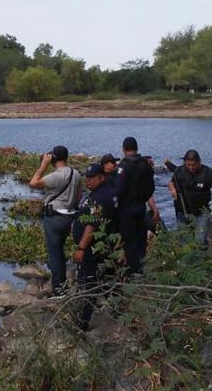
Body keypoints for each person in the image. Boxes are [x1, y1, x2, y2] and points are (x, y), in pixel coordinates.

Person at [29, 145, 82, 296]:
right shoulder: (75, 173)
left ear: (54, 158)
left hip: (54, 217)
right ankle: (63, 284)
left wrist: (43, 166)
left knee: (55, 254)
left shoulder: (56, 176)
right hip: (69, 217)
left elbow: (33, 183)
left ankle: (59, 289)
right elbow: (79, 196)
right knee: (60, 251)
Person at [71, 163, 118, 330]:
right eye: (87, 178)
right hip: (98, 246)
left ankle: (83, 322)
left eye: (92, 178)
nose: (88, 181)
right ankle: (114, 310)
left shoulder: (102, 196)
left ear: (101, 178)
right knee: (104, 279)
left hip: (92, 248)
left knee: (88, 283)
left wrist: (81, 248)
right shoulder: (98, 193)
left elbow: (92, 225)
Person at [114, 136, 155, 275]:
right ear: (136, 148)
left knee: (130, 241)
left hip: (127, 208)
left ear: (124, 149)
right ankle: (141, 267)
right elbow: (151, 187)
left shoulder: (124, 166)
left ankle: (133, 273)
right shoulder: (145, 164)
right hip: (141, 206)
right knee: (141, 239)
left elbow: (118, 189)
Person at [168, 150, 212, 246]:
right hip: (182, 211)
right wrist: (172, 189)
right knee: (183, 241)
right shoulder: (179, 171)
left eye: (193, 165)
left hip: (202, 212)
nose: (191, 168)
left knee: (200, 240)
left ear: (199, 162)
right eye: (188, 165)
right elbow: (171, 182)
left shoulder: (208, 173)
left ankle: (202, 256)